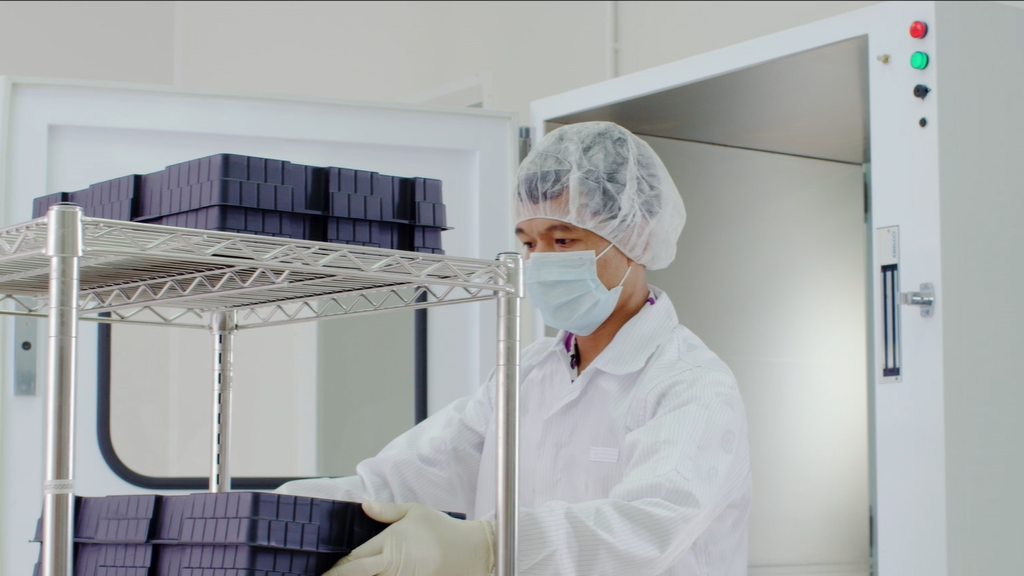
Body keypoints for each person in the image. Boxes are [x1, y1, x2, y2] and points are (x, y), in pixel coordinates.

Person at [278, 121, 752, 576]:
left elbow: (647, 528)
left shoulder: (689, 382)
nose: (539, 262)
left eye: (563, 240)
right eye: (528, 243)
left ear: (638, 237)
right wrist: (266, 513)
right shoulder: (527, 374)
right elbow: (395, 481)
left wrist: (487, 546)